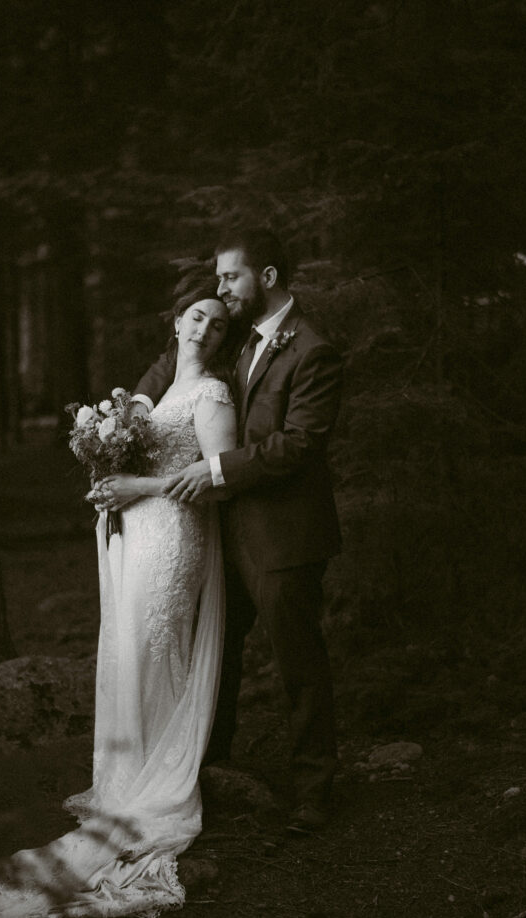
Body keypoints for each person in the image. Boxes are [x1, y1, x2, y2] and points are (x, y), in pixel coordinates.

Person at [0, 271, 238, 918]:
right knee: (132, 649)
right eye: (195, 316)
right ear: (175, 323)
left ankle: (162, 778)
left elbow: (218, 478)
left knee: (157, 645)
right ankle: (128, 774)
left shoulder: (210, 392)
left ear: (221, 336)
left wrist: (138, 487)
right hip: (142, 531)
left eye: (217, 321)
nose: (204, 327)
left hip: (176, 536)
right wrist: (107, 481)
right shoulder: (160, 390)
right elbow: (137, 465)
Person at [133, 228, 342, 833]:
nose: (220, 288)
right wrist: (136, 409)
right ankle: (210, 768)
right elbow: (172, 364)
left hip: (286, 536)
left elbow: (300, 443)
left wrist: (218, 467)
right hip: (228, 532)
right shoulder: (236, 339)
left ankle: (315, 792)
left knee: (297, 661)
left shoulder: (313, 351)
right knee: (216, 652)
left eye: (230, 276)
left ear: (267, 277)